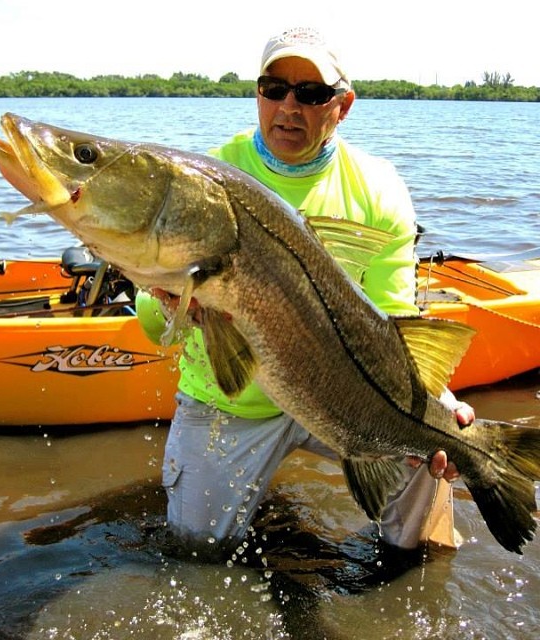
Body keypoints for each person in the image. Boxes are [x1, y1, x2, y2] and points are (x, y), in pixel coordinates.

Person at [136, 26, 474, 555]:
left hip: (344, 399)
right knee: (195, 555)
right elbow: (154, 327)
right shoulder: (204, 182)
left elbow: (392, 321)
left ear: (343, 106)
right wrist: (168, 304)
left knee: (426, 465)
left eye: (311, 94)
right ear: (258, 94)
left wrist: (440, 410)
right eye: (274, 88)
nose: (288, 106)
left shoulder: (379, 187)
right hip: (231, 404)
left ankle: (415, 559)